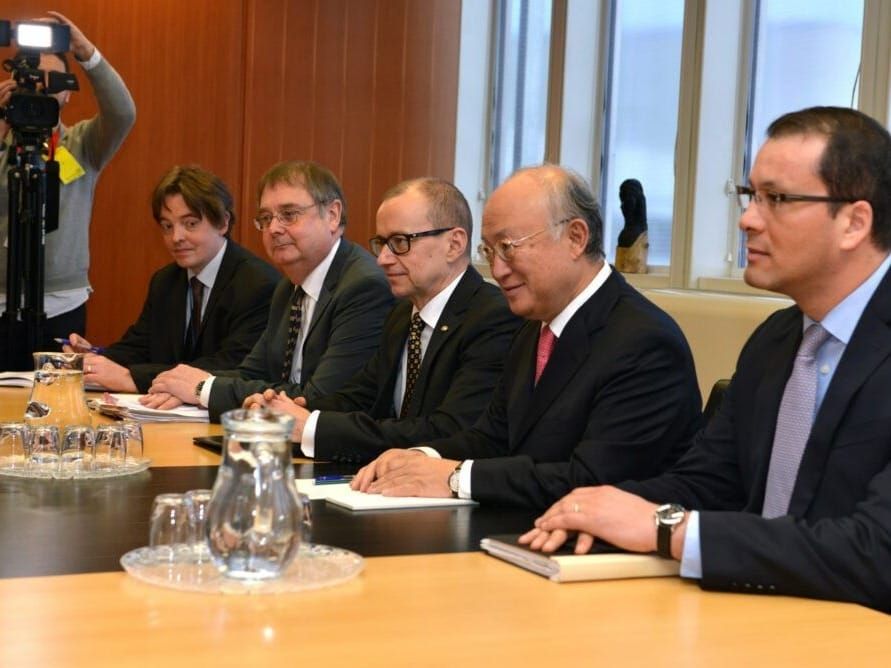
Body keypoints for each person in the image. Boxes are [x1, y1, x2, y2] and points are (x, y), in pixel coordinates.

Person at [521, 107, 891, 613]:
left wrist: (667, 529)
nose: (747, 219)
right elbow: (708, 482)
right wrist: (595, 509)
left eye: (777, 199)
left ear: (854, 222)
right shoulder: (775, 340)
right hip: (757, 612)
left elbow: (876, 552)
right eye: (750, 195)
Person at [351, 165, 701, 509]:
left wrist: (455, 477)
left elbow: (593, 482)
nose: (498, 270)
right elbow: (492, 437)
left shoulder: (644, 342)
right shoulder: (534, 327)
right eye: (490, 252)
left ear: (575, 238)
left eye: (508, 247)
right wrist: (421, 457)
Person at [250, 177, 521, 462]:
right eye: (382, 243)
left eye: (400, 242)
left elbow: (449, 430)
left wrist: (312, 427)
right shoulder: (403, 313)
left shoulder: (493, 318)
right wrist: (287, 410)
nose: (383, 259)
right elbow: (361, 396)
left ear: (454, 244)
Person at [145, 160, 393, 420]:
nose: (273, 229)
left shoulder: (363, 287)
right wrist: (186, 386)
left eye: (289, 214)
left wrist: (204, 389)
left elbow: (320, 397)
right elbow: (252, 372)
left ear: (332, 215)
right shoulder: (288, 286)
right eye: (266, 218)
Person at [62, 165, 279, 392]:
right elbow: (139, 346)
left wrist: (133, 378)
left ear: (223, 223)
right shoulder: (165, 281)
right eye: (167, 226)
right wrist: (94, 359)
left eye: (190, 224)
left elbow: (231, 365)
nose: (176, 237)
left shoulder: (257, 284)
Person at [0, 12, 136, 367]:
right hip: (1, 301)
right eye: (34, 80)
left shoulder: (83, 143)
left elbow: (123, 113)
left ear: (68, 94)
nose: (42, 88)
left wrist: (86, 52)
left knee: (56, 395)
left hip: (63, 303)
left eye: (53, 80)